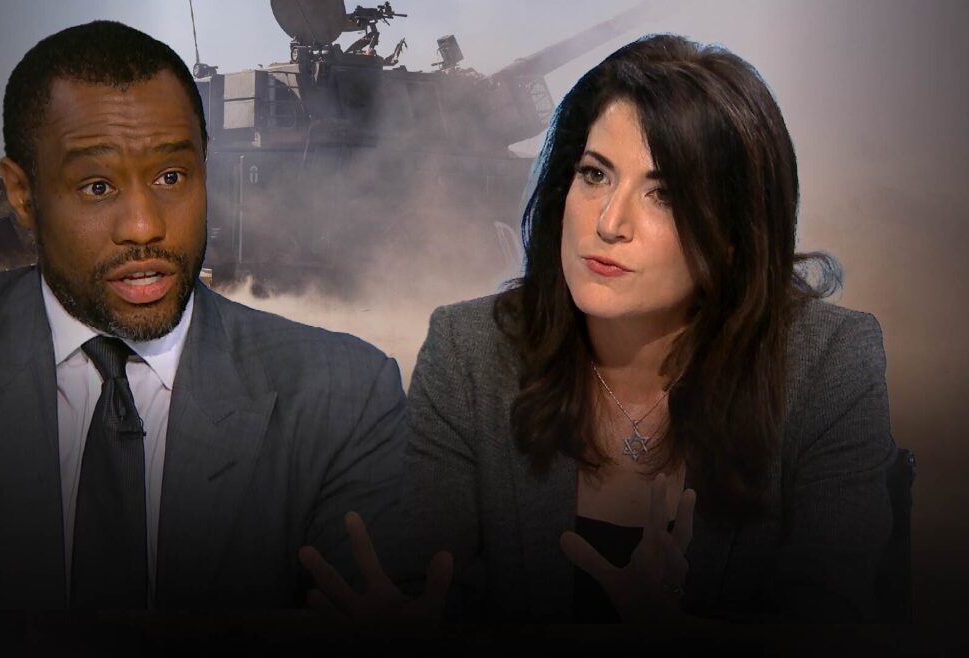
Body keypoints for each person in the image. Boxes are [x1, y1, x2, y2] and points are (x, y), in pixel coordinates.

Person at [0, 20, 406, 621]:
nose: (143, 226)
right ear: (22, 194)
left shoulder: (347, 399)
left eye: (171, 177)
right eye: (96, 186)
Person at [302, 34, 896, 623]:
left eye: (664, 194)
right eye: (595, 174)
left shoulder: (829, 363)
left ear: (735, 233)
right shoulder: (466, 353)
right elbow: (427, 581)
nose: (610, 222)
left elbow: (831, 617)